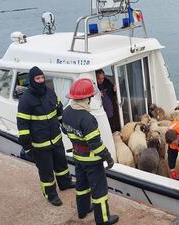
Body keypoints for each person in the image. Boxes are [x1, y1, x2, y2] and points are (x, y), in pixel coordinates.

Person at [62, 78, 119, 225]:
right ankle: (103, 219)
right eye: (90, 97)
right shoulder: (88, 118)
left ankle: (83, 211)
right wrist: (108, 157)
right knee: (99, 191)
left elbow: (65, 131)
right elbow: (95, 145)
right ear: (86, 98)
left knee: (81, 186)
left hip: (78, 158)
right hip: (92, 161)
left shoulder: (66, 112)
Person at [16, 66, 74, 207]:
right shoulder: (25, 100)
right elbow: (22, 126)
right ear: (32, 80)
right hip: (40, 144)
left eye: (42, 78)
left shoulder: (50, 93)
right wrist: (28, 147)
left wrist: (64, 126)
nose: (41, 80)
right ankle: (50, 194)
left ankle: (65, 183)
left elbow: (59, 110)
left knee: (61, 164)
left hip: (56, 139)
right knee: (46, 171)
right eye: (37, 78)